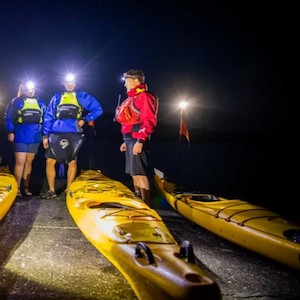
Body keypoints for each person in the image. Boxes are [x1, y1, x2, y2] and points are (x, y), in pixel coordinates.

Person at [41, 73, 103, 199]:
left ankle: (69, 191)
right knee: (50, 161)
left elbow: (98, 109)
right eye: (67, 82)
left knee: (72, 162)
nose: (70, 84)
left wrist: (85, 119)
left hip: (74, 133)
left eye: (72, 82)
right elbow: (48, 116)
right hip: (56, 133)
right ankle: (51, 190)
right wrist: (45, 136)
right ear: (63, 83)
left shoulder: (82, 96)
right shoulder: (57, 97)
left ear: (75, 83)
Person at [115, 69, 159, 205]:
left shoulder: (145, 97)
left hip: (137, 138)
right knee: (134, 173)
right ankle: (138, 200)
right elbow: (127, 122)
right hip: (129, 139)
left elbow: (149, 121)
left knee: (140, 173)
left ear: (136, 81)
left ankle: (146, 204)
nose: (125, 84)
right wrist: (125, 141)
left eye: (127, 81)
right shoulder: (131, 98)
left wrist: (140, 141)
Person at [4, 81, 47, 197]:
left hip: (35, 136)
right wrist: (10, 131)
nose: (31, 91)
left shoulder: (41, 103)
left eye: (33, 89)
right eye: (28, 89)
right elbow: (8, 116)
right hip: (21, 134)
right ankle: (17, 188)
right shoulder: (16, 101)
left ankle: (26, 187)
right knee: (20, 162)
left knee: (29, 162)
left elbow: (46, 119)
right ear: (24, 90)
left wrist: (45, 135)